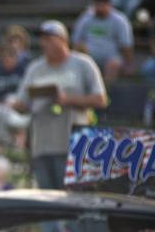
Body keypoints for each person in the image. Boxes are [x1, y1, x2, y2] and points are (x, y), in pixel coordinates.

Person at [12, 20, 107, 190]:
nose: (44, 43)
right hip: (41, 144)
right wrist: (16, 105)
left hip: (73, 145)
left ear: (63, 39)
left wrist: (68, 100)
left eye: (49, 38)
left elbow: (100, 99)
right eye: (42, 39)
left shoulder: (83, 64)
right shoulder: (35, 68)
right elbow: (22, 101)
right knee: (48, 198)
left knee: (72, 198)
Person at [72, 0, 134, 82]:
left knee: (113, 64)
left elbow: (126, 45)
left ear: (109, 5)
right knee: (80, 53)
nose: (100, 8)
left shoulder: (120, 20)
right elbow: (76, 41)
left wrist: (128, 64)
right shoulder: (85, 18)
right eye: (97, 5)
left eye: (103, 5)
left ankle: (106, 91)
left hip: (112, 57)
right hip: (90, 55)